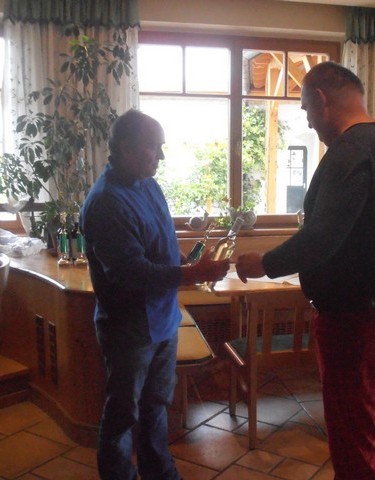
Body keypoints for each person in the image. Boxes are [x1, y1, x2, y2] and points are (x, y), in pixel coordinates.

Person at [236, 61, 375, 480]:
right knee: (352, 436)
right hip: (372, 312)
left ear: (321, 99)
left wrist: (265, 264)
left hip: (360, 321)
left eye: (305, 109)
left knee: (353, 446)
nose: (309, 121)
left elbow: (322, 236)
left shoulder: (352, 148)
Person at [80, 109, 230, 480]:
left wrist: (185, 260)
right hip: (130, 330)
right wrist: (193, 274)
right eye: (154, 147)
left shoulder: (148, 184)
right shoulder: (107, 202)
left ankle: (160, 473)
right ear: (126, 147)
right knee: (122, 416)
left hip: (163, 321)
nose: (161, 156)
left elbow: (159, 243)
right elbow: (132, 273)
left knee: (156, 407)